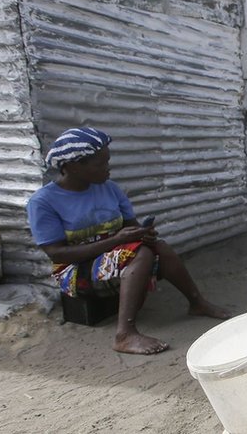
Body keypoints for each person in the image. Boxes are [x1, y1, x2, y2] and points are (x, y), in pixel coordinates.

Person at [26, 128, 231, 355]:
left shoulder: (109, 189)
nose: (107, 168)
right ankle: (124, 334)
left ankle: (197, 303)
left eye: (107, 161)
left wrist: (143, 234)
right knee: (141, 253)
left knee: (158, 247)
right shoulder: (43, 202)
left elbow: (130, 228)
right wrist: (117, 240)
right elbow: (57, 254)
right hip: (75, 270)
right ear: (74, 167)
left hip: (115, 256)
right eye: (100, 164)